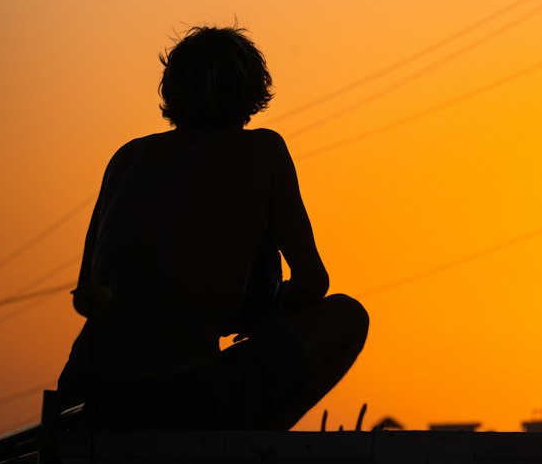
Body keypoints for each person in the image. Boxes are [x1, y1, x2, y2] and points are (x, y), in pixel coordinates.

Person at [57, 25, 369, 429]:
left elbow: (88, 295)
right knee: (348, 316)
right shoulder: (263, 150)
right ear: (253, 91)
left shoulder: (128, 157)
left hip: (85, 391)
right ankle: (254, 445)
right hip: (185, 394)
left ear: (172, 90)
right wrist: (258, 317)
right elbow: (312, 282)